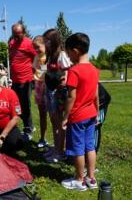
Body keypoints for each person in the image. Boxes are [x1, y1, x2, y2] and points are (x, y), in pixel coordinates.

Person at [61, 33, 99, 191]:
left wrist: (65, 117)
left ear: (75, 51)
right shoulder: (94, 69)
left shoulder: (74, 71)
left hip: (77, 116)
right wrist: (96, 112)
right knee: (90, 147)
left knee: (77, 148)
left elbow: (71, 96)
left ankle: (79, 180)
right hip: (91, 114)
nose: (68, 56)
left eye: (68, 52)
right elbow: (96, 94)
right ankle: (91, 178)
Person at [42, 29, 72, 163]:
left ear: (54, 41)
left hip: (59, 93)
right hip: (50, 91)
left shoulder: (62, 55)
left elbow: (68, 75)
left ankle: (61, 152)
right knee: (54, 122)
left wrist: (60, 87)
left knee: (60, 124)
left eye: (47, 41)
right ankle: (56, 148)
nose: (45, 44)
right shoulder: (51, 56)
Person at [9, 23, 37, 141]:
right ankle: (23, 125)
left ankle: (29, 129)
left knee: (25, 105)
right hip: (15, 80)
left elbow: (39, 57)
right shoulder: (11, 43)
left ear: (23, 32)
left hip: (26, 79)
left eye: (18, 34)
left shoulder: (29, 43)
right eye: (14, 34)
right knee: (15, 105)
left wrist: (36, 73)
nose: (16, 37)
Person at [32, 35, 48, 148]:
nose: (36, 50)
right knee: (42, 114)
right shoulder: (36, 56)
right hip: (38, 86)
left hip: (48, 86)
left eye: (38, 47)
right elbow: (34, 68)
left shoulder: (50, 56)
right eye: (35, 48)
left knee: (54, 115)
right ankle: (43, 138)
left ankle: (60, 142)